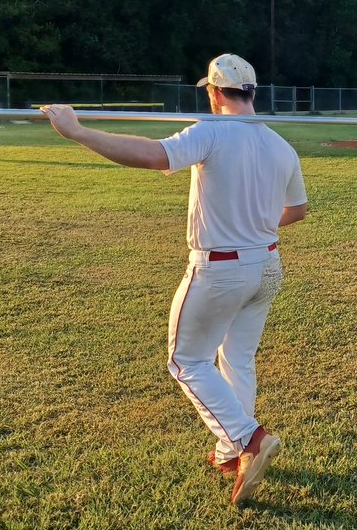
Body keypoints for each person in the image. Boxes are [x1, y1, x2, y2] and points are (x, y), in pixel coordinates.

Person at [39, 53, 308, 506]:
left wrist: (78, 131)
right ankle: (231, 448)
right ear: (253, 92)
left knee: (186, 361)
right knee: (236, 359)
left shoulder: (211, 130)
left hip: (222, 268)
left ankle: (249, 438)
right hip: (267, 265)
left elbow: (151, 155)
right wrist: (254, 223)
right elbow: (297, 211)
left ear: (214, 92)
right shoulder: (281, 145)